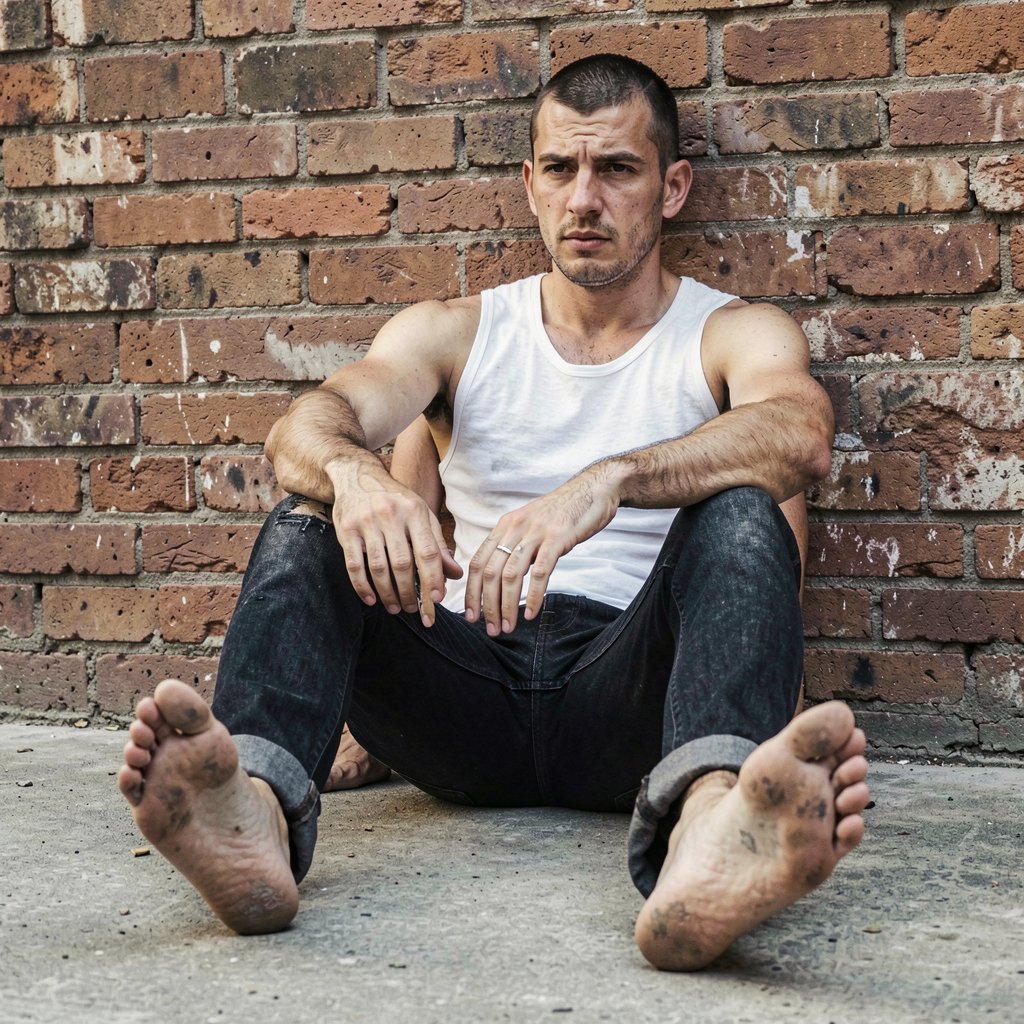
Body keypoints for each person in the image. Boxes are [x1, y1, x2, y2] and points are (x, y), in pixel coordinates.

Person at [118, 54, 870, 971]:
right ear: (530, 184)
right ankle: (256, 817)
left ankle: (712, 831)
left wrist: (609, 481)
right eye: (560, 169)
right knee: (307, 515)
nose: (583, 199)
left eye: (617, 170)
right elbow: (309, 426)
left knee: (744, 506)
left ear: (671, 187)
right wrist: (359, 479)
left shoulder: (729, 333)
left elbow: (798, 433)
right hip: (463, 690)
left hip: (633, 702)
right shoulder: (459, 331)